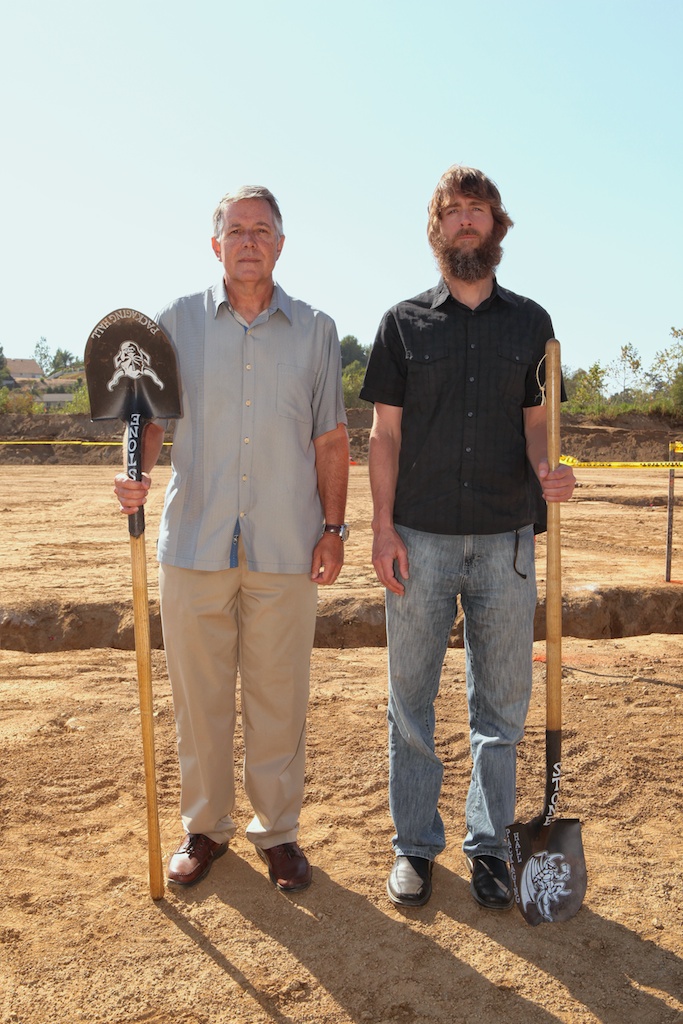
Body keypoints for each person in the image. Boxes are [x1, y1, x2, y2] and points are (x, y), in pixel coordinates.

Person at [114, 186, 349, 892]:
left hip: (286, 544)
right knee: (200, 698)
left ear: (280, 244)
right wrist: (136, 475)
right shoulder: (173, 323)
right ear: (215, 243)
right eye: (236, 229)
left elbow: (331, 440)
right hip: (193, 543)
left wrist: (334, 529)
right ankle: (204, 829)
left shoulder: (316, 330)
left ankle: (276, 833)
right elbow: (148, 421)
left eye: (262, 230)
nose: (249, 240)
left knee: (280, 697)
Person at [359, 165, 575, 911]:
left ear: (496, 226)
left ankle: (488, 848)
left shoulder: (532, 325)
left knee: (500, 707)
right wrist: (382, 527)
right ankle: (415, 848)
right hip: (418, 540)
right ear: (436, 229)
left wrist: (551, 471)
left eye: (476, 210)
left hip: (508, 540)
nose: (464, 222)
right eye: (452, 212)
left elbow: (537, 426)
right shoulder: (400, 323)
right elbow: (383, 435)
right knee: (410, 701)